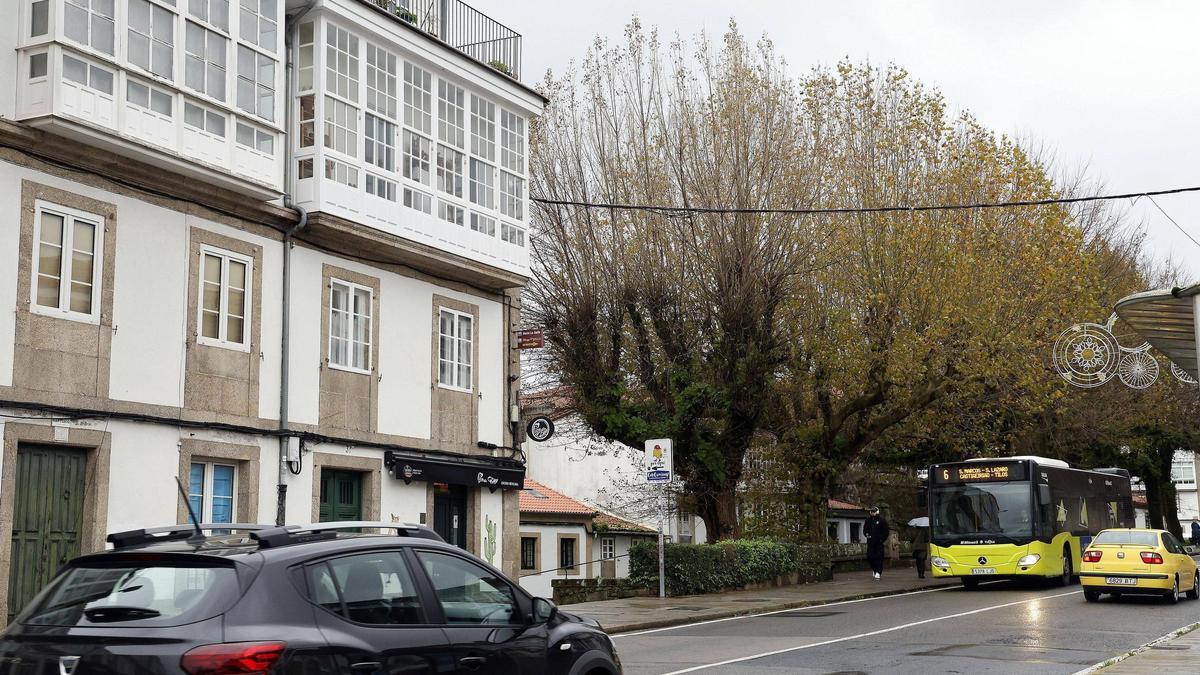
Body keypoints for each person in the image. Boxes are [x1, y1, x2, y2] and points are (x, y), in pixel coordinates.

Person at [864, 506, 889, 580]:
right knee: (870, 557)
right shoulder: (868, 520)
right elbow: (865, 530)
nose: (872, 512)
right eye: (871, 511)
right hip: (870, 542)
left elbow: (886, 531)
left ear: (877, 512)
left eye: (873, 511)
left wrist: (881, 539)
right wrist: (866, 534)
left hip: (879, 543)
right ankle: (874, 569)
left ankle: (878, 572)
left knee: (879, 558)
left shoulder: (882, 520)